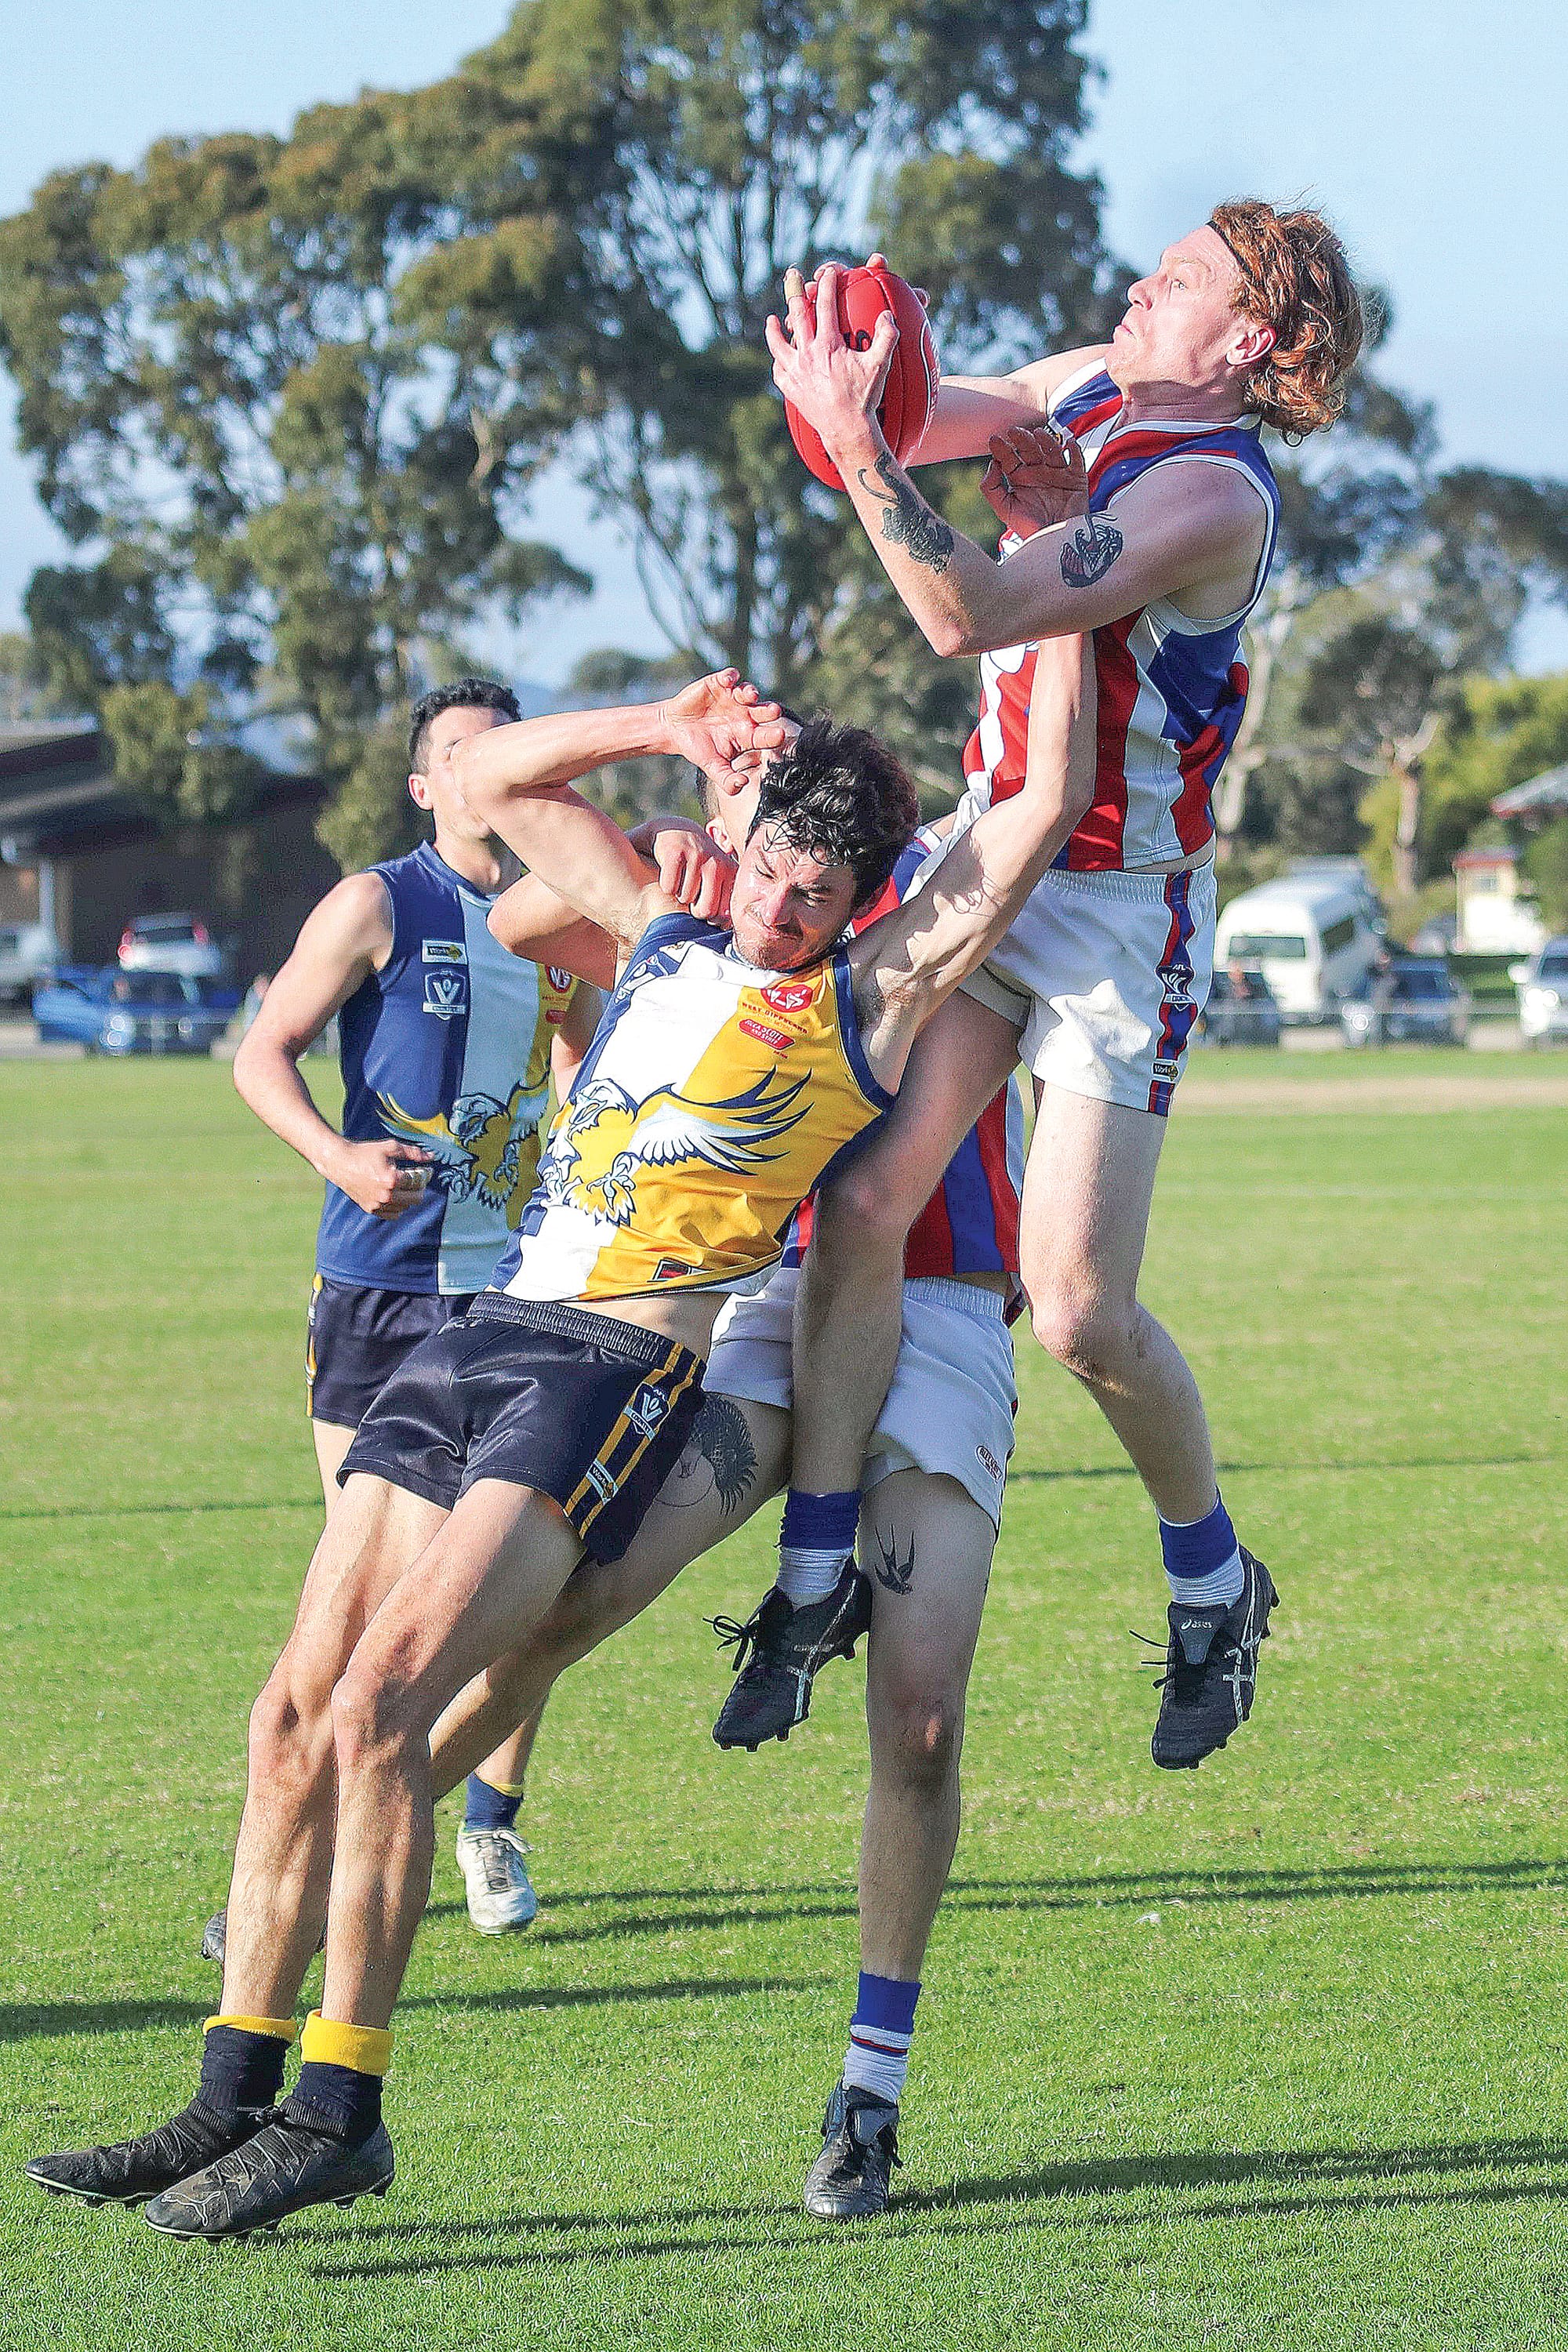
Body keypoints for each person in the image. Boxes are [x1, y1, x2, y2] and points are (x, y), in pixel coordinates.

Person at [27, 640, 1089, 2239]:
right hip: (476, 1333)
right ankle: (225, 2093)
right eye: (770, 875)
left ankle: (341, 2107)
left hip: (608, 1375)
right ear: (739, 850)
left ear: (858, 902)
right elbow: (479, 782)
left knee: (390, 1703)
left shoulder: (861, 1005)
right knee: (291, 1712)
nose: (776, 912)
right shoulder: (661, 927)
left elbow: (1042, 809)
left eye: (815, 893)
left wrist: (1062, 611)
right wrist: (667, 723)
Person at [750, 201, 1364, 1768]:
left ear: (1250, 341)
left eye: (1184, 278)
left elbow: (970, 609)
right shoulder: (1094, 374)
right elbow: (918, 427)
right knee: (865, 1202)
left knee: (1081, 1310)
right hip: (994, 847)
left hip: (1119, 911)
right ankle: (815, 1568)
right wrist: (858, 377)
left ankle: (1214, 1579)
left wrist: (868, 450)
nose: (1140, 282)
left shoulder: (1211, 493)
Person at [435, 742, 1032, 2223]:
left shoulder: (969, 893)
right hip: (766, 1302)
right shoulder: (754, 891)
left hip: (943, 1311)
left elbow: (1052, 802)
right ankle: (346, 1850)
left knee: (922, 1720)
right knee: (565, 1607)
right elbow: (519, 918)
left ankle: (868, 2098)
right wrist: (666, 857)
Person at [222, 678, 601, 1942]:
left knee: (513, 1593)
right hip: (378, 1301)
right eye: (464, 755)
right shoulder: (379, 902)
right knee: (368, 1609)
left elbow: (584, 1061)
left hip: (512, 1299)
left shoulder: (557, 912)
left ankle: (489, 1822)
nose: (493, 770)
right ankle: (301, 1847)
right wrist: (338, 1159)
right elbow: (259, 1053)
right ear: (429, 785)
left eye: (510, 749)